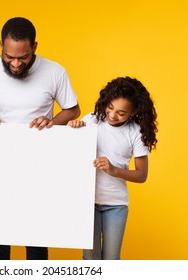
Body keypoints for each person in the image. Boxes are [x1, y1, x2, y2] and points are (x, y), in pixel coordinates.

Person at [0, 17, 80, 260]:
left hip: (39, 164)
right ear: (1, 45)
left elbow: (73, 110)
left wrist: (52, 122)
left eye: (22, 57)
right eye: (9, 56)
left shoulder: (55, 71)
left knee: (35, 236)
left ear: (34, 47)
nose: (15, 63)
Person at [68, 76, 158, 260]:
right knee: (90, 259)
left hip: (116, 204)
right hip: (87, 201)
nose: (112, 115)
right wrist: (73, 127)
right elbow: (70, 150)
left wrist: (113, 170)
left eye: (121, 113)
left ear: (133, 112)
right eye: (110, 107)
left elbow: (142, 175)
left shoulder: (136, 133)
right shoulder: (93, 120)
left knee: (111, 259)